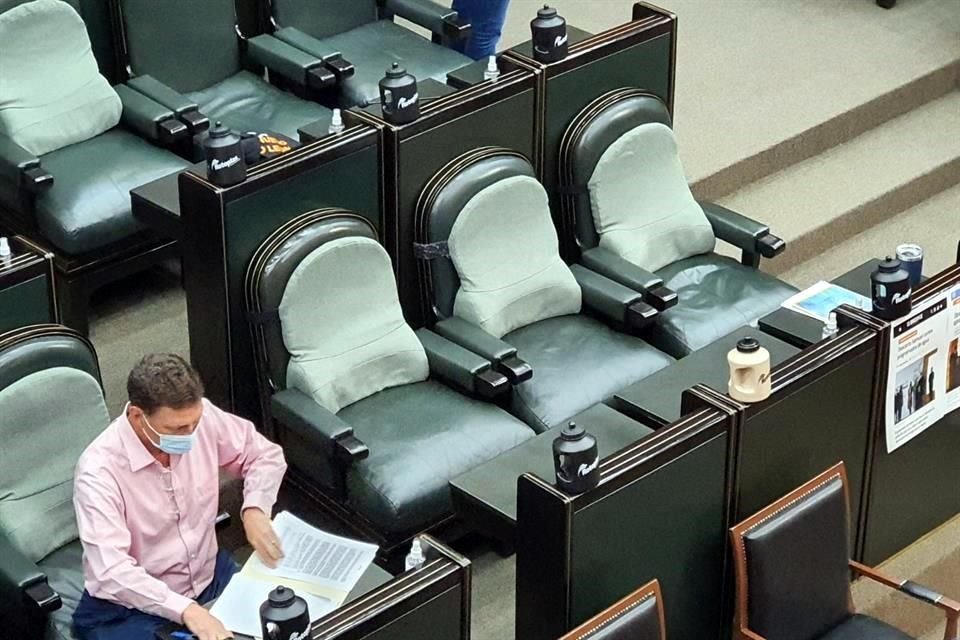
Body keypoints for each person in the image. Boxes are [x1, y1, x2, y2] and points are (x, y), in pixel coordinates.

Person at [72, 354, 288, 640]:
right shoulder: (98, 472)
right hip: (129, 606)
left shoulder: (201, 418)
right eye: (175, 429)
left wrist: (254, 509)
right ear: (138, 416)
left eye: (194, 424)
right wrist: (186, 610)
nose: (189, 435)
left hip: (207, 576)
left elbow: (263, 455)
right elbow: (111, 571)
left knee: (283, 621)